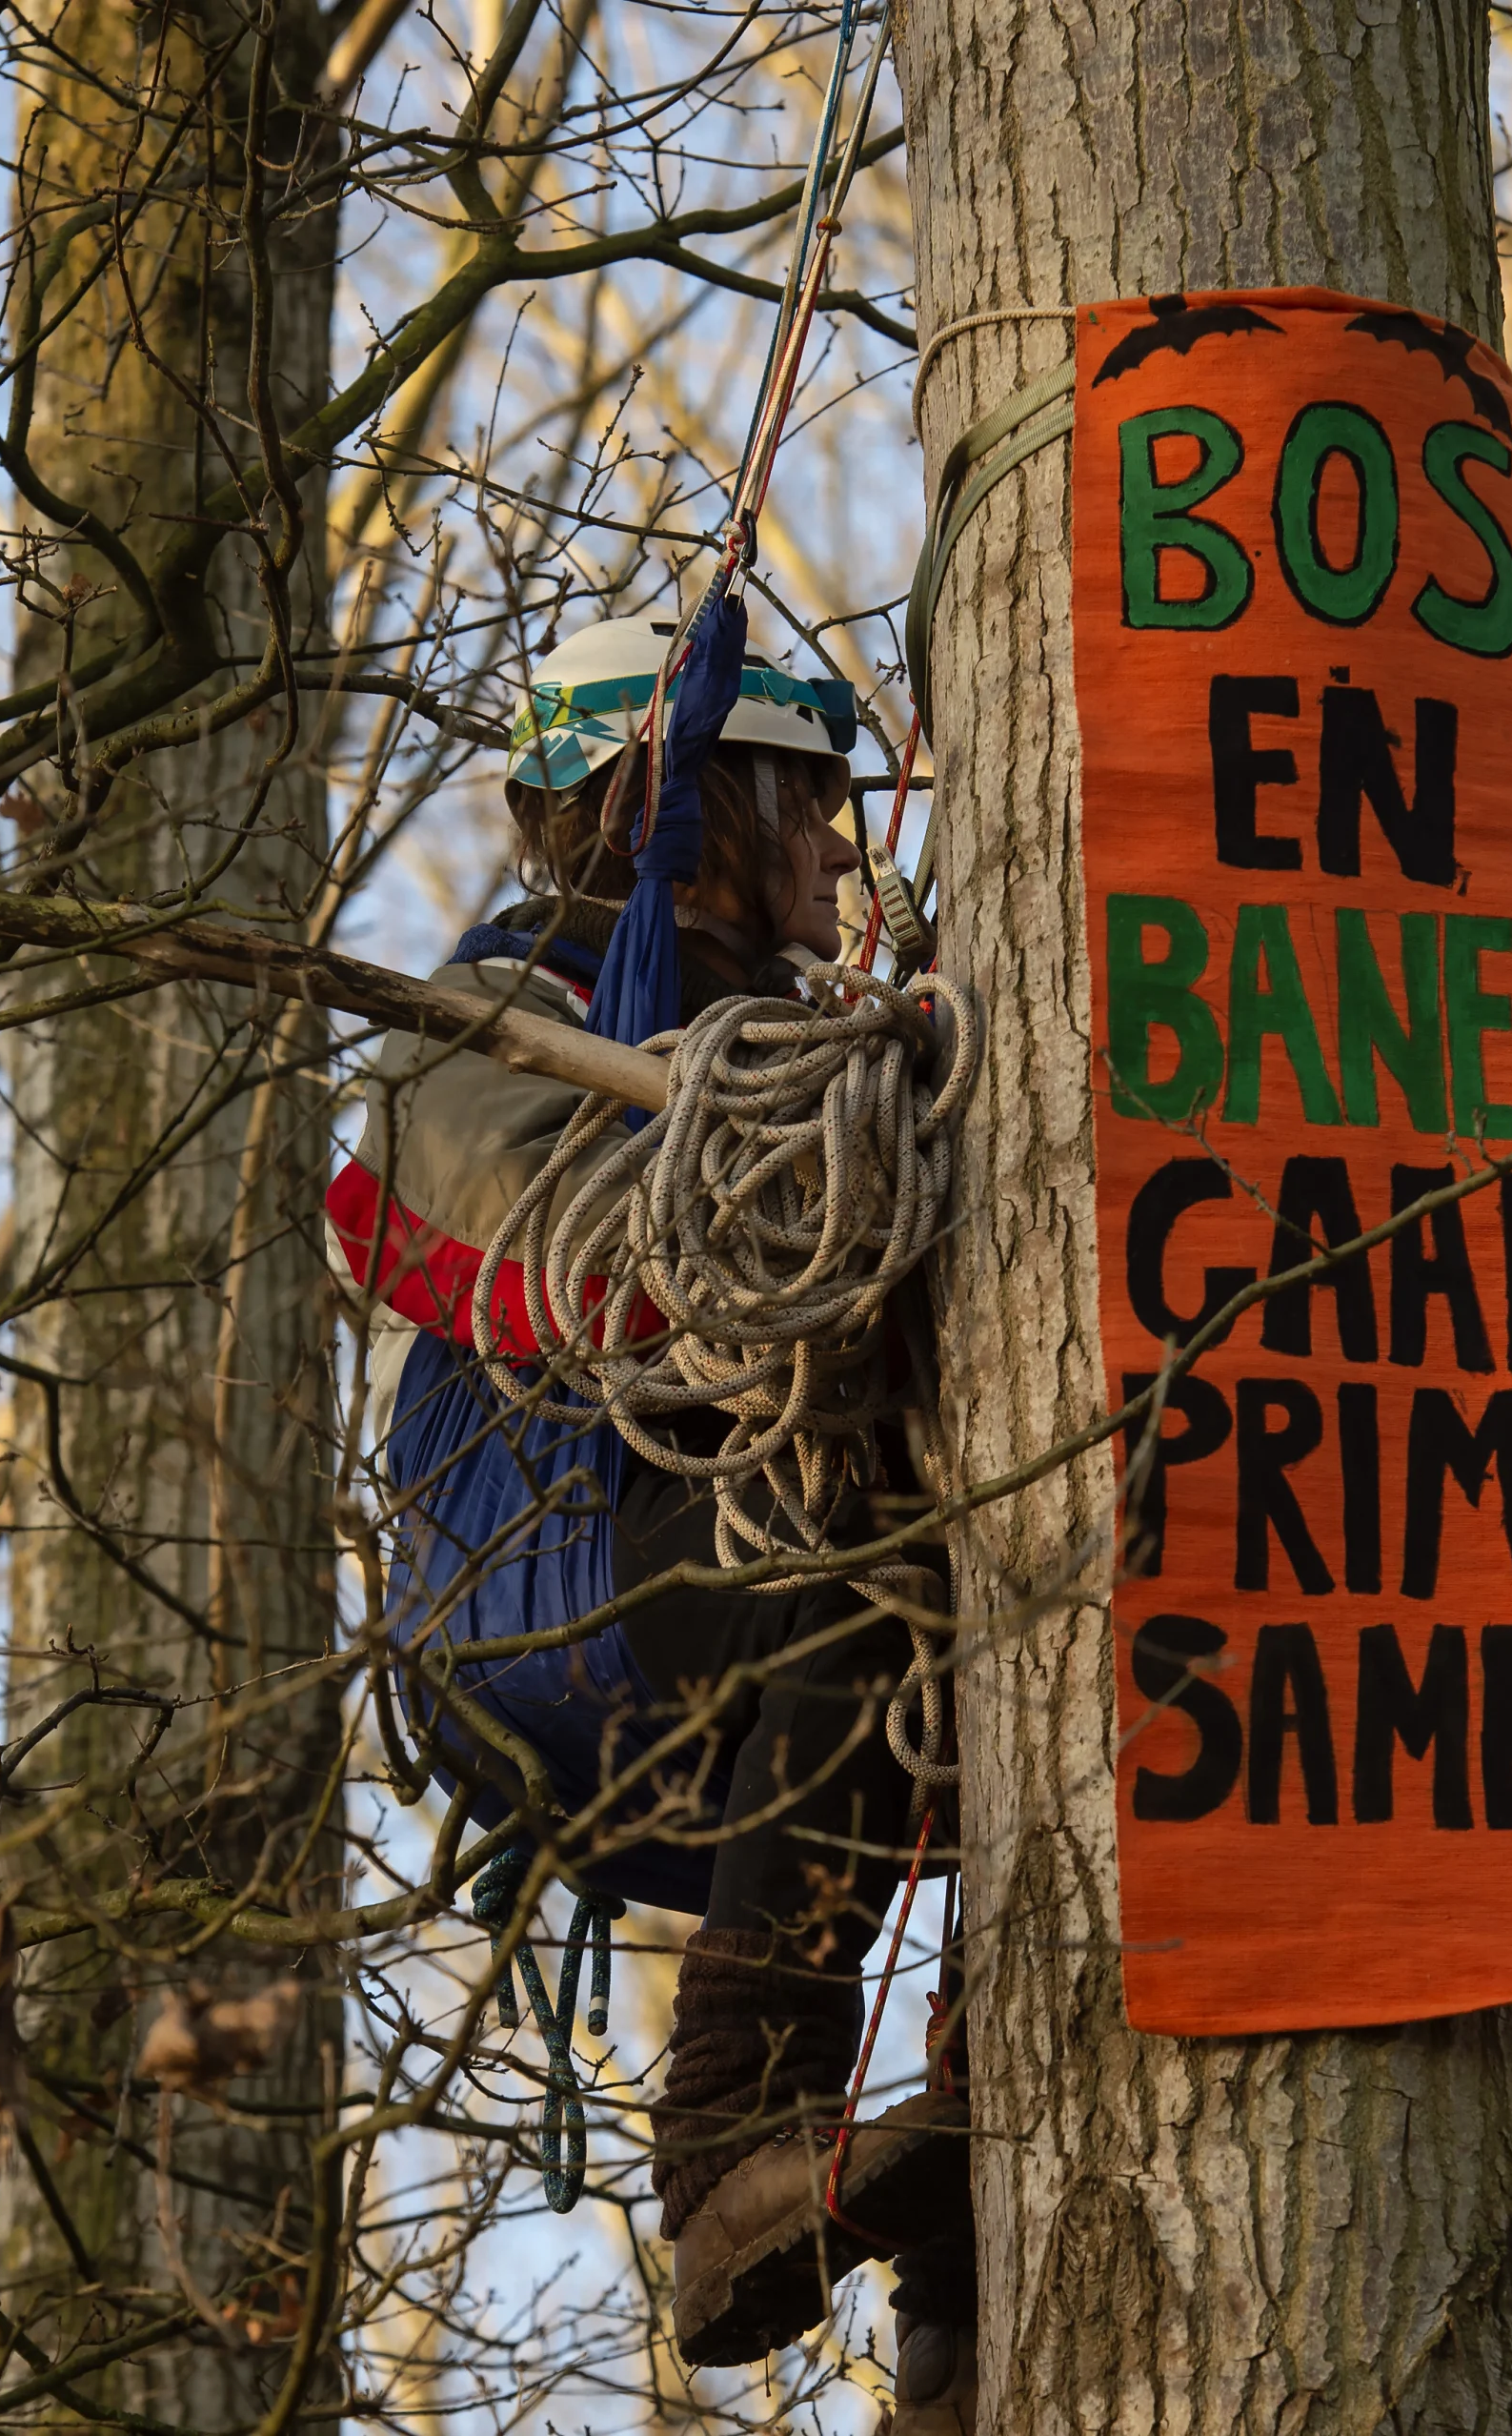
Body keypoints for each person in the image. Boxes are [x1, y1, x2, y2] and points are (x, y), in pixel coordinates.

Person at [326, 601, 976, 2421]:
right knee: (876, 1585)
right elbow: (584, 1256)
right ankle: (729, 2162)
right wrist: (806, 1173)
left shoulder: (805, 1038)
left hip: (717, 1615)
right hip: (554, 1583)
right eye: (813, 802)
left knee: (1039, 1640)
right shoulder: (504, 1005)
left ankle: (972, 2270)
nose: (842, 847)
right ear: (685, 798)